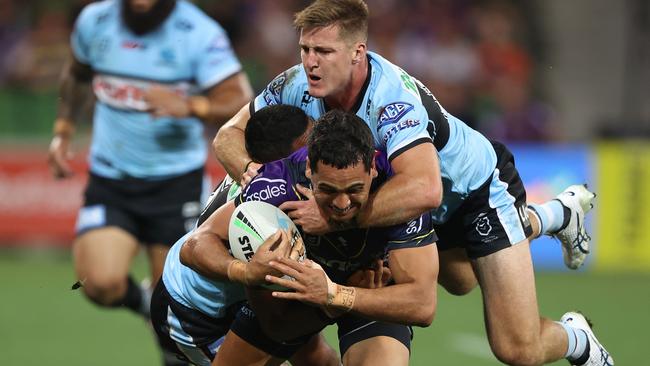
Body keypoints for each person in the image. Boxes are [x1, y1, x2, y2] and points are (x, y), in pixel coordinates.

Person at [212, 1, 611, 365]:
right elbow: (227, 136)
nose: (310, 63)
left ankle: (579, 338)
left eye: (324, 52)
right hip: (420, 211)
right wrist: (255, 179)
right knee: (459, 281)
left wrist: (333, 219)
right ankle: (552, 215)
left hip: (474, 195)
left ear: (357, 53)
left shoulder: (391, 100)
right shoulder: (298, 83)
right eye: (305, 50)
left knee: (517, 349)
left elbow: (425, 190)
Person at [47, 0, 252, 364]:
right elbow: (77, 73)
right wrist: (63, 130)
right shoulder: (96, 21)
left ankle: (163, 324)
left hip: (176, 183)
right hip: (111, 177)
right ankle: (146, 305)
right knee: (98, 283)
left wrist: (192, 106)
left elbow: (240, 100)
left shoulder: (198, 32)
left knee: (174, 308)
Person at [182, 110, 439, 366]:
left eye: (354, 190)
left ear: (372, 168)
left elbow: (423, 304)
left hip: (373, 291)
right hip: (299, 300)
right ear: (308, 168)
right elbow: (195, 244)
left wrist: (336, 294)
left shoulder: (398, 191)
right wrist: (245, 272)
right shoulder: (277, 183)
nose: (341, 203)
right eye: (327, 189)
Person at [150, 105, 340, 366]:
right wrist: (245, 272)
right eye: (306, 149)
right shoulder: (263, 209)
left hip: (237, 295)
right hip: (194, 314)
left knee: (320, 359)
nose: (317, 152)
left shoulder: (270, 178)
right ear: (279, 162)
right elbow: (194, 247)